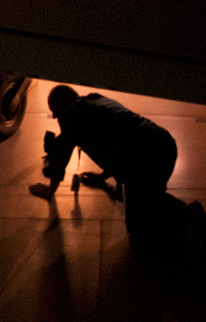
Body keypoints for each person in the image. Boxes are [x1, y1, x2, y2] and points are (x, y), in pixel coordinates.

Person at [29, 85, 180, 243]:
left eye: (54, 109)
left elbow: (62, 154)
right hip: (162, 144)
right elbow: (114, 138)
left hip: (146, 158)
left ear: (64, 102)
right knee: (148, 202)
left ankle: (189, 214)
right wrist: (103, 176)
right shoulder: (95, 99)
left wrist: (50, 190)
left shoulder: (72, 114)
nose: (54, 116)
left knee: (139, 228)